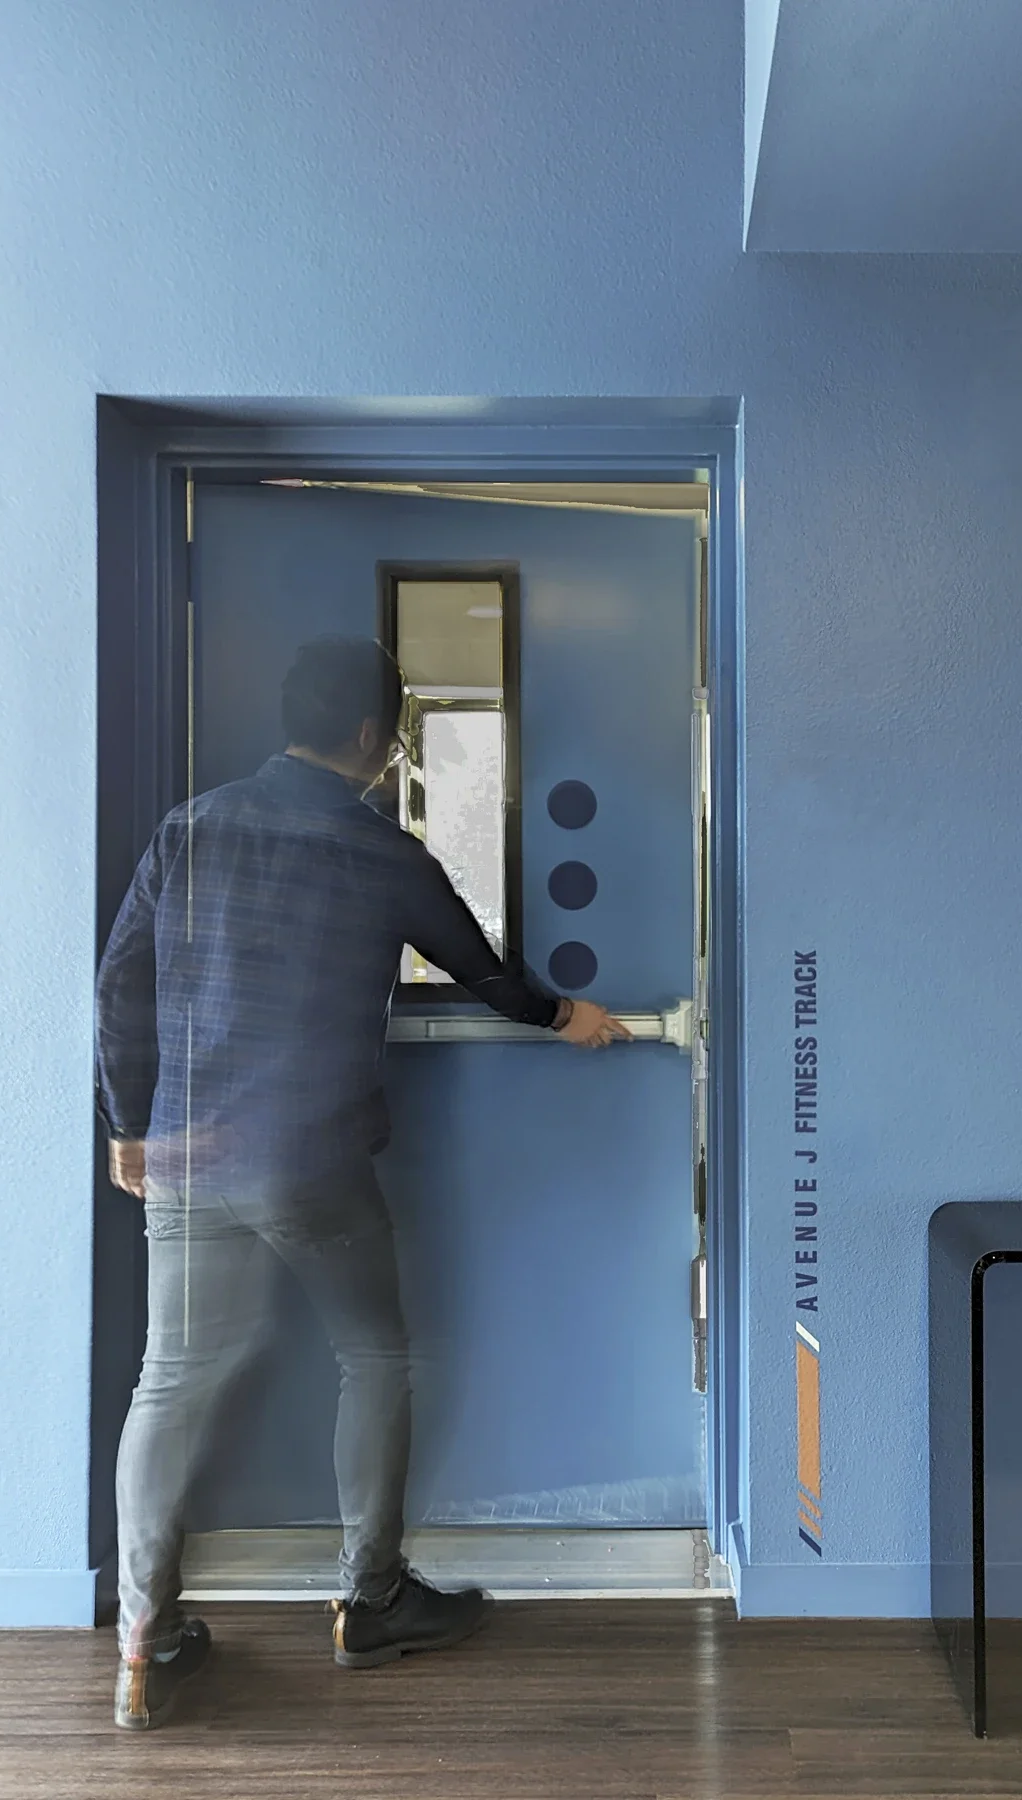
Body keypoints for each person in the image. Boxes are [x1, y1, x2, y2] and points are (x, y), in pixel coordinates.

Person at [96, 635, 630, 1730]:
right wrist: (564, 1015)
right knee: (375, 1355)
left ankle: (145, 1643)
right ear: (372, 742)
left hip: (189, 1154)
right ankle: (371, 1601)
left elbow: (119, 986)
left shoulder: (189, 829)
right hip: (310, 1163)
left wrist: (128, 1128)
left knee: (170, 1383)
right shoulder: (381, 849)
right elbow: (484, 973)